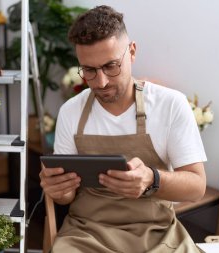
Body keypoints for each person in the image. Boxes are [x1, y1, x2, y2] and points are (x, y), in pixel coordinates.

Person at [39, 5, 207, 253]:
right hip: (87, 234)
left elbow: (196, 187)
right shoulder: (71, 111)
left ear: (132, 52)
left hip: (157, 234)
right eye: (89, 70)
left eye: (111, 66)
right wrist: (58, 190)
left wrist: (152, 178)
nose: (101, 81)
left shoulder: (170, 104)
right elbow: (66, 197)